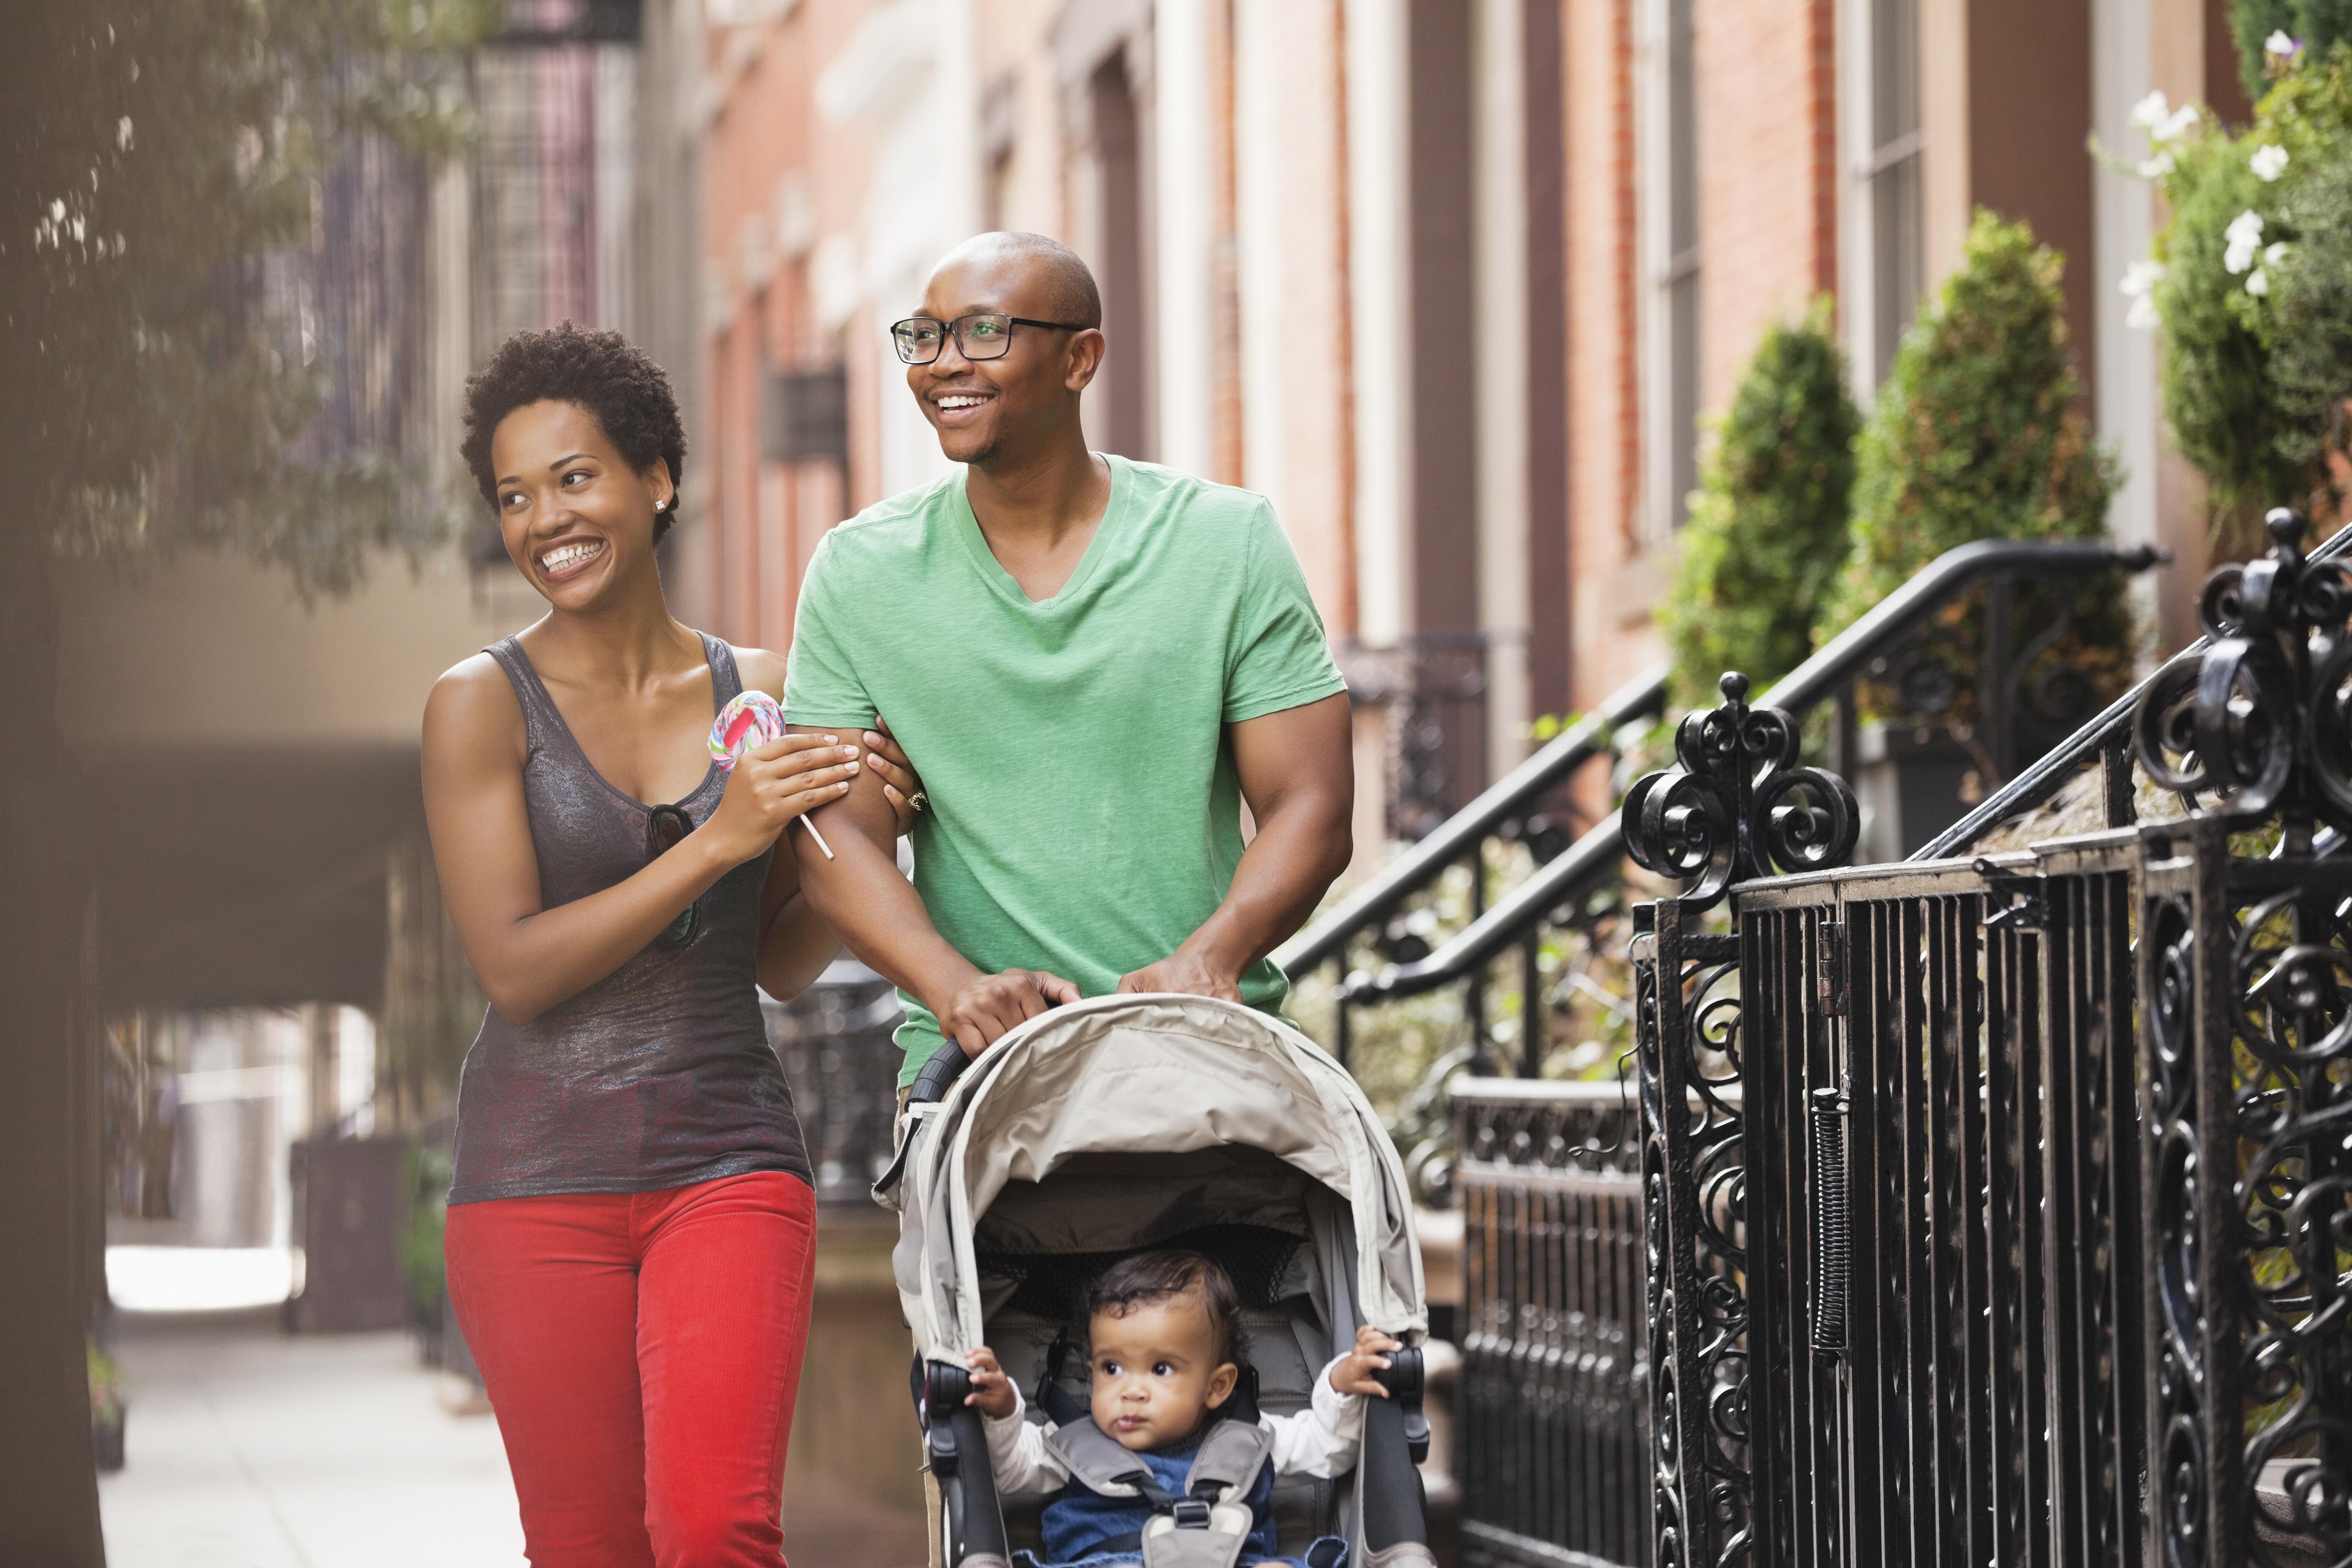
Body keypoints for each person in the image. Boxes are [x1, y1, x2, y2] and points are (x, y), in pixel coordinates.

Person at [419, 324, 925, 1568]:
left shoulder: (761, 686)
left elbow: (777, 960)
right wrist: (714, 839)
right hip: (533, 1178)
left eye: (574, 476)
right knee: (588, 1543)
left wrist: (870, 836)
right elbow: (518, 966)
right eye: (515, 496)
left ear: (657, 476)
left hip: (727, 1154)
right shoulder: (479, 704)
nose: (545, 519)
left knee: (716, 1526)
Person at [782, 232, 1355, 1090]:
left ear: (1080, 358)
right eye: (925, 335)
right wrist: (955, 986)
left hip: (1207, 1057)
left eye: (982, 332)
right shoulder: (860, 572)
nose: (941, 364)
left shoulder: (1224, 541)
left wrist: (1209, 958)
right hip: (970, 1085)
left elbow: (1311, 800)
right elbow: (835, 834)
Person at [962, 1252, 1400, 1568]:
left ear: (1216, 1387)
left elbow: (1328, 1447)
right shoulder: (1072, 1445)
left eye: (1160, 1369)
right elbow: (1009, 1469)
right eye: (1111, 1368)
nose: (1131, 1391)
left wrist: (1342, 1382)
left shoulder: (1248, 1441)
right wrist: (1001, 1410)